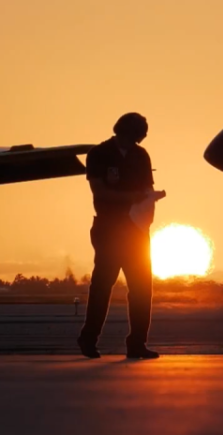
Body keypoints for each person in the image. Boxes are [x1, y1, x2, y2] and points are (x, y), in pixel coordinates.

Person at [77, 112, 166, 360]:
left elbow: (146, 190)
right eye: (133, 137)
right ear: (121, 132)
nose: (135, 142)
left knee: (141, 288)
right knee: (102, 286)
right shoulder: (98, 154)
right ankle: (88, 338)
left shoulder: (141, 155)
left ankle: (137, 343)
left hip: (137, 229)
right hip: (109, 228)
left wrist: (146, 211)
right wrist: (131, 198)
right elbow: (100, 192)